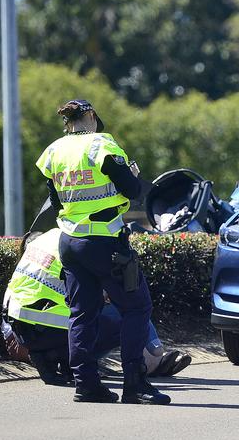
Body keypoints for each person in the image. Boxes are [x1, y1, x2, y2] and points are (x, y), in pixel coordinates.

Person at [35, 99, 170, 404]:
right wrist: (132, 175)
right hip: (106, 241)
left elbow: (56, 202)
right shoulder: (101, 145)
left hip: (70, 242)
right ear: (92, 116)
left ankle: (86, 385)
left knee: (82, 314)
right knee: (137, 308)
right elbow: (133, 191)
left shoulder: (53, 151)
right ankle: (134, 384)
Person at [1, 228, 192, 386]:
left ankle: (53, 357)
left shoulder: (38, 246)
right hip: (57, 330)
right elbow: (110, 297)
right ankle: (151, 364)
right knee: (131, 311)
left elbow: (10, 301)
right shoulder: (85, 240)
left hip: (25, 335)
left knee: (82, 311)